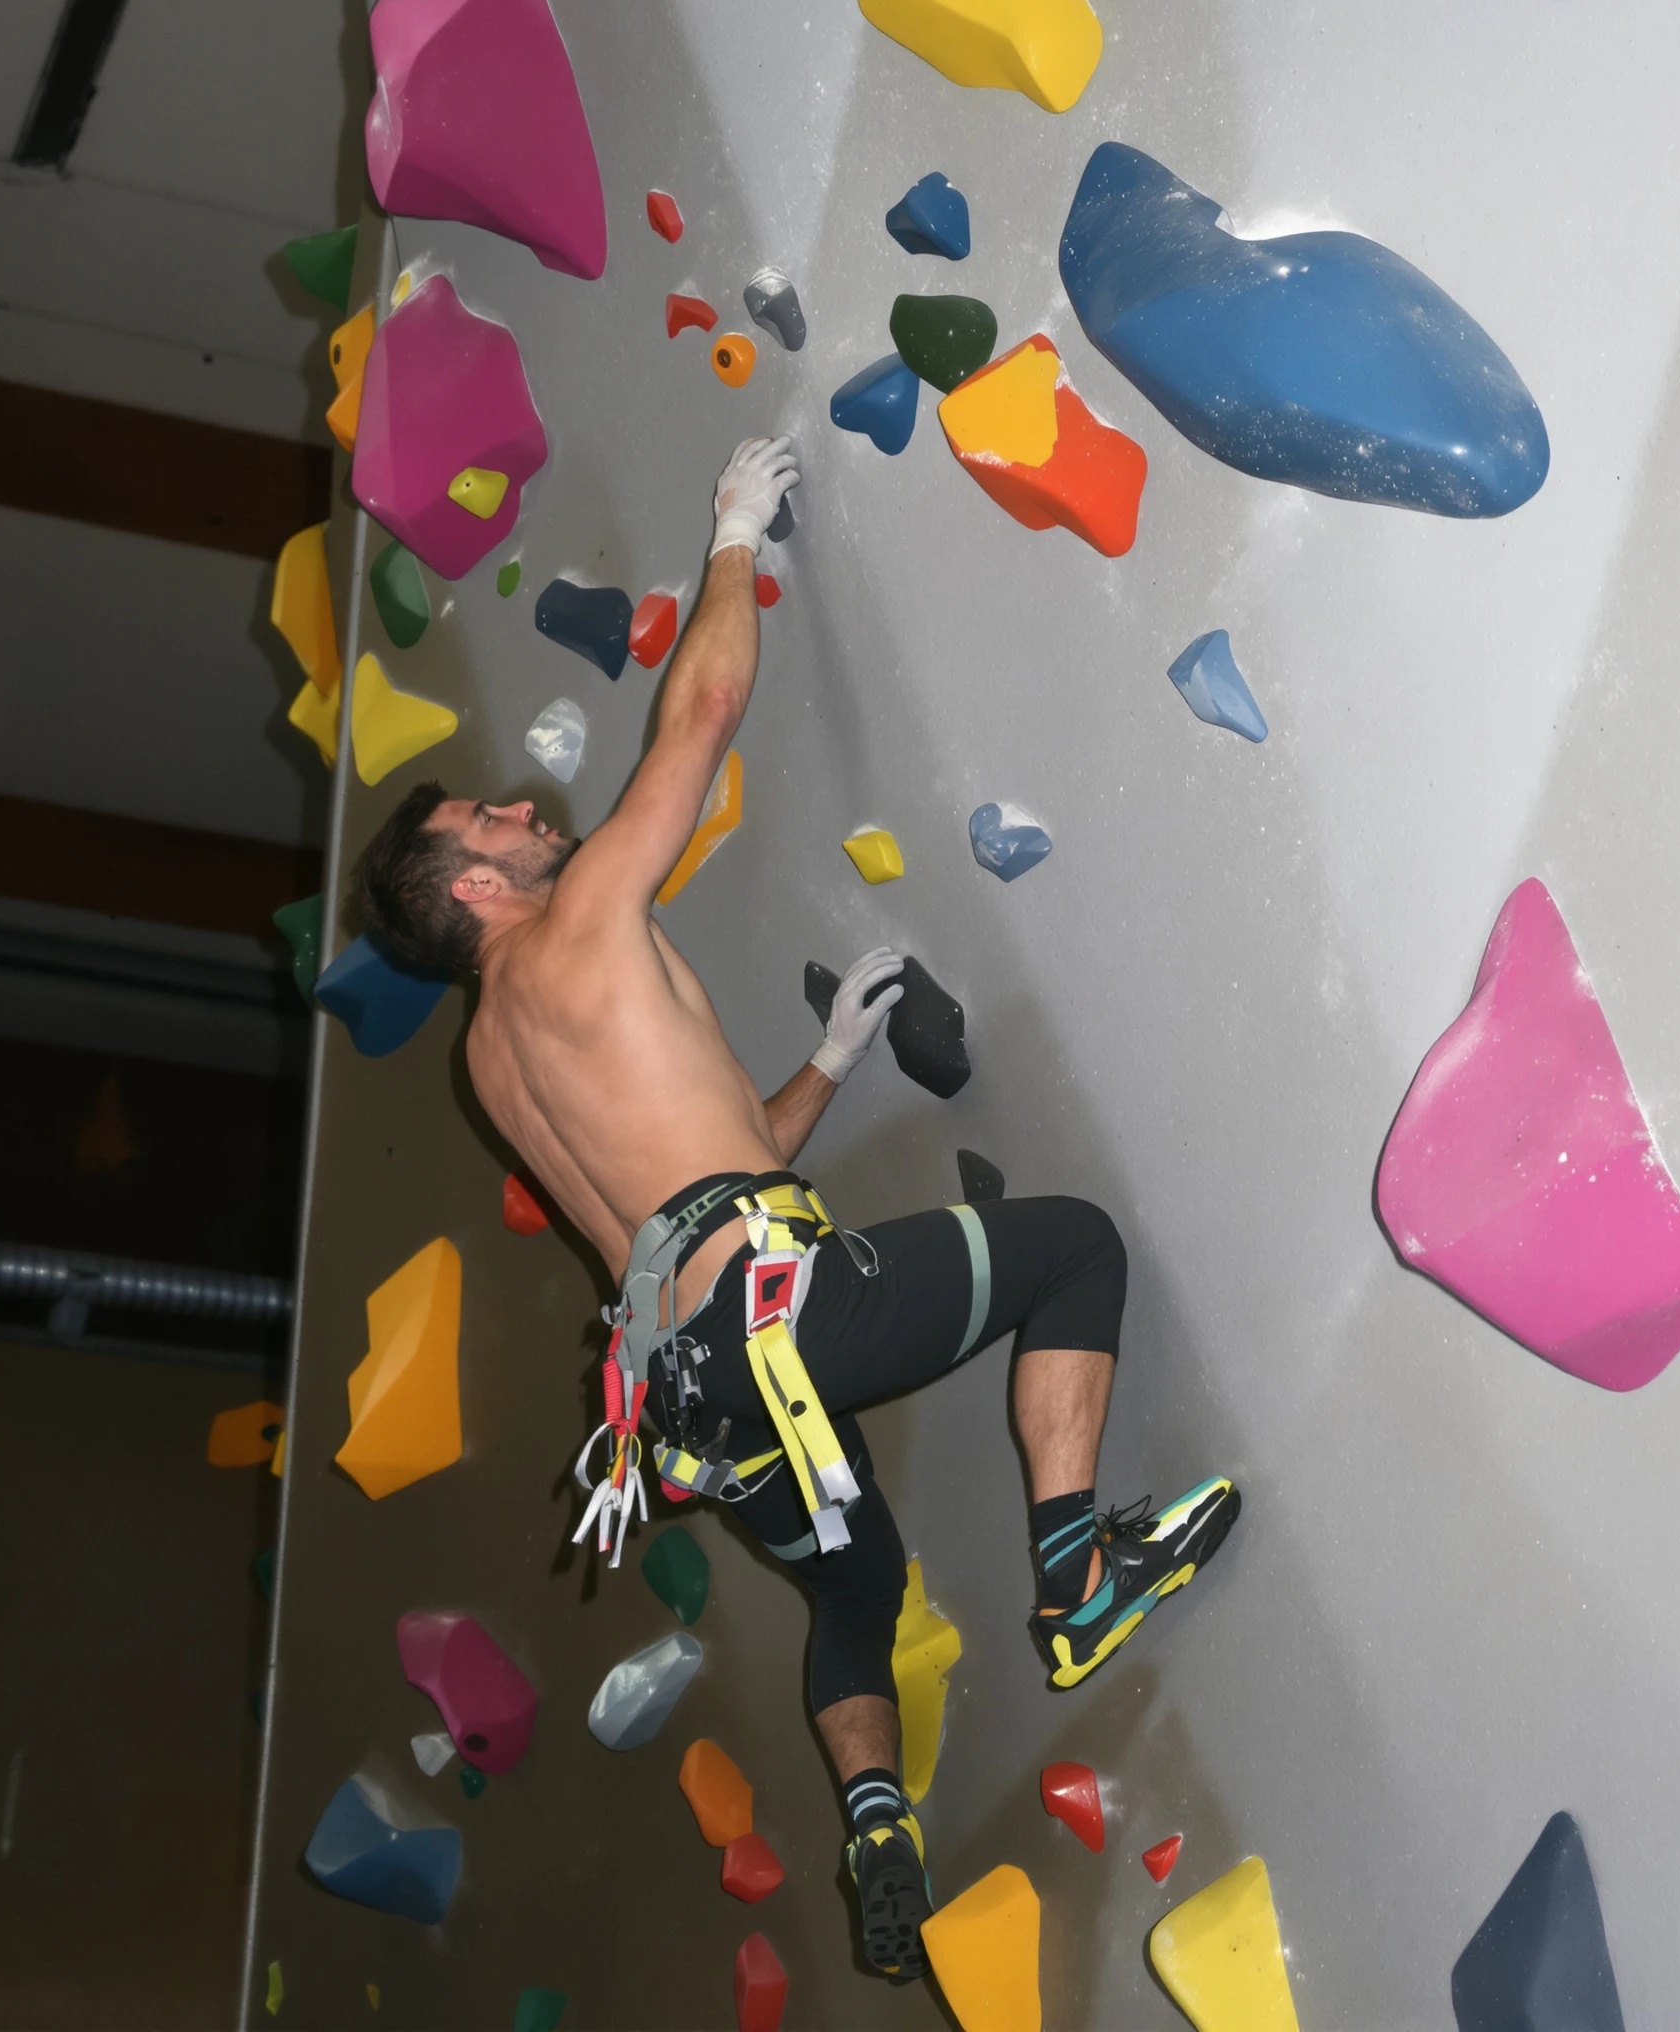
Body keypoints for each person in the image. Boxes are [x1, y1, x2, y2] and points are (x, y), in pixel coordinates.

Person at [357, 435, 1240, 1980]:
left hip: (696, 1403)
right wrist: (731, 536)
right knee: (1076, 1251)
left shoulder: (493, 1069)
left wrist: (825, 1067)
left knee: (857, 1584)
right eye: (486, 829)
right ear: (480, 892)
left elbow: (705, 1183)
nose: (514, 810)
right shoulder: (573, 928)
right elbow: (696, 721)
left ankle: (877, 1821)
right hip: (789, 1326)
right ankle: (1077, 1576)